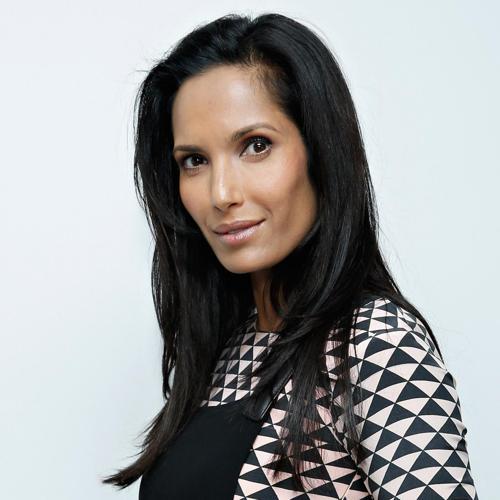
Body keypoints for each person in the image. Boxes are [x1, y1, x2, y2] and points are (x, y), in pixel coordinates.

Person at [102, 12, 478, 499]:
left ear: (320, 152)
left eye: (256, 146)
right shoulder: (229, 347)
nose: (221, 193)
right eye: (194, 161)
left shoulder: (373, 343)